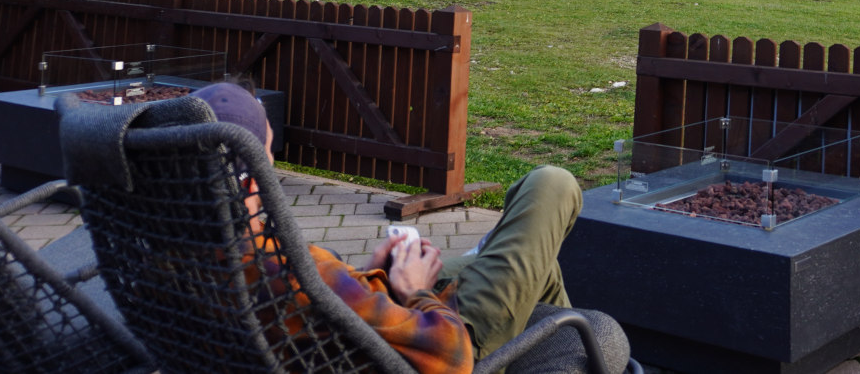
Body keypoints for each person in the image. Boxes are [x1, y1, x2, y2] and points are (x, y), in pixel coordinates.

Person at [192, 83, 585, 366]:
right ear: (253, 180)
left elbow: (320, 315)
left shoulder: (172, 261)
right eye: (269, 153)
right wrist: (415, 290)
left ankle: (567, 354)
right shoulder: (285, 268)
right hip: (445, 342)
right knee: (552, 184)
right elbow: (452, 357)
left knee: (540, 265)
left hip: (364, 335)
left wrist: (367, 276)